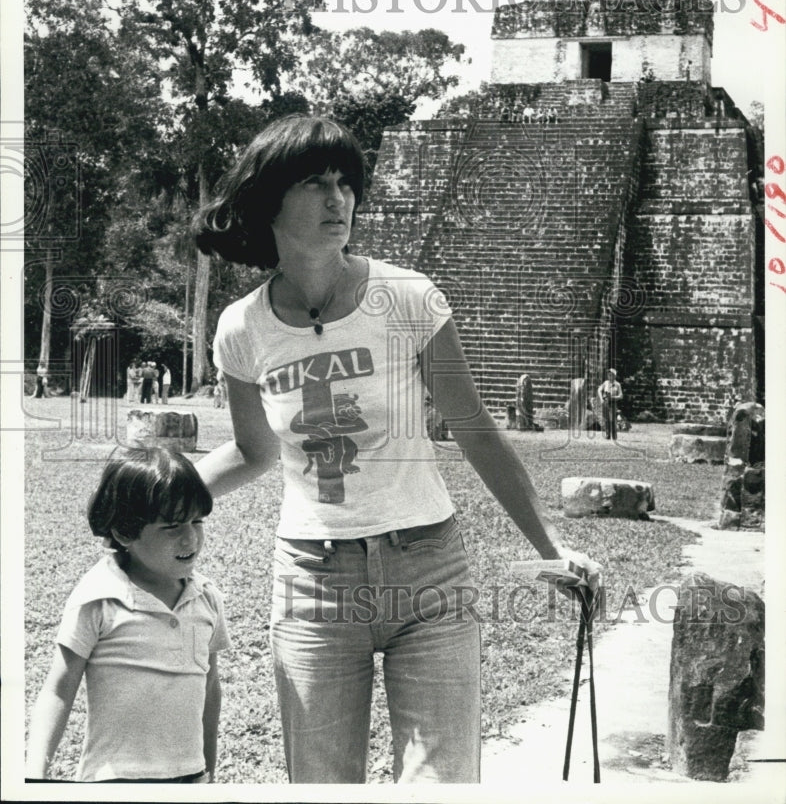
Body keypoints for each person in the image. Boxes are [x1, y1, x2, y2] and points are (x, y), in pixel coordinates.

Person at [192, 115, 601, 785]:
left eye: (345, 184)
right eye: (316, 184)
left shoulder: (406, 297)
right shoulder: (242, 328)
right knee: (322, 785)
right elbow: (251, 450)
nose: (338, 199)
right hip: (314, 584)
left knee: (443, 786)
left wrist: (551, 547)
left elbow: (473, 429)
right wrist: (163, 488)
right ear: (269, 200)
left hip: (430, 575)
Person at [25, 447, 229, 783]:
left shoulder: (206, 598)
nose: (191, 537)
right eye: (172, 526)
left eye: (197, 521)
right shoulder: (99, 598)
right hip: (113, 781)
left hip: (188, 778)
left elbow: (209, 685)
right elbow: (59, 690)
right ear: (124, 532)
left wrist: (208, 770)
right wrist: (35, 771)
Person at [597, 367, 623, 440]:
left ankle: (614, 435)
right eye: (609, 375)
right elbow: (599, 390)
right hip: (606, 402)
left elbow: (621, 395)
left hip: (613, 403)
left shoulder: (617, 384)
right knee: (606, 419)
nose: (610, 376)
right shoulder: (605, 383)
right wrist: (601, 399)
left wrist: (614, 397)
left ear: (615, 376)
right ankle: (608, 434)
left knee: (613, 419)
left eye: (611, 375)